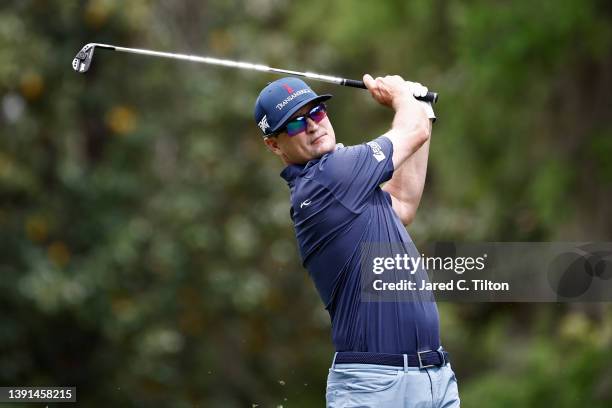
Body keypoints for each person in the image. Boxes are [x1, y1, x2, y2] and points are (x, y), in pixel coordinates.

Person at [254, 75, 460, 407]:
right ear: (274, 144)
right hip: (374, 386)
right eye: (294, 124)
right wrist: (401, 95)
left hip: (433, 378)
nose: (312, 126)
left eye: (317, 112)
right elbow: (413, 132)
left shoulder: (344, 184)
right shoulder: (328, 176)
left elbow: (403, 203)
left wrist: (421, 106)